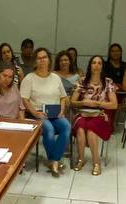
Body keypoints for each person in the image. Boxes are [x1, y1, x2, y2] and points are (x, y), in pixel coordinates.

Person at [19, 47, 69, 176]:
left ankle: (54, 160)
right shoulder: (29, 78)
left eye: (44, 57)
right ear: (35, 61)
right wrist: (35, 113)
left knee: (66, 126)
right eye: (39, 58)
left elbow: (63, 97)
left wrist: (62, 110)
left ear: (49, 60)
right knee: (49, 129)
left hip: (56, 113)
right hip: (38, 114)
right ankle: (55, 161)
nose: (42, 60)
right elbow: (24, 99)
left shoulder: (56, 78)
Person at [70, 55, 118, 176]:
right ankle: (81, 159)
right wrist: (83, 102)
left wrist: (97, 103)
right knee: (80, 129)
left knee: (91, 130)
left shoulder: (108, 82)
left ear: (102, 66)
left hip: (100, 113)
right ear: (90, 65)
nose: (96, 65)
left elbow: (114, 105)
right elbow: (73, 102)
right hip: (83, 112)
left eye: (99, 63)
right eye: (94, 63)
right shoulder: (82, 81)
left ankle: (96, 162)